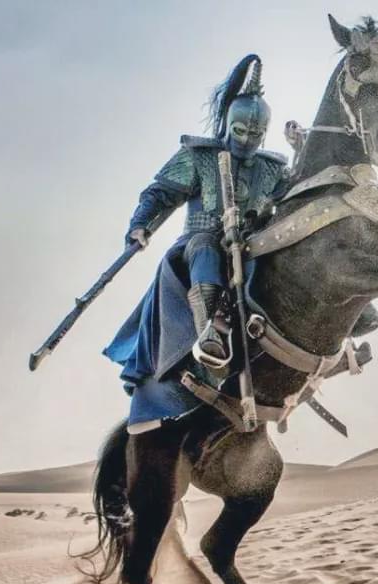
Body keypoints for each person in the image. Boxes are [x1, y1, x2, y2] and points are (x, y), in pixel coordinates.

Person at [102, 54, 288, 431]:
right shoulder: (199, 156)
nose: (248, 141)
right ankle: (210, 334)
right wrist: (140, 225)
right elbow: (158, 194)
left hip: (251, 244)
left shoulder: (272, 167)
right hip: (199, 243)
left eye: (255, 135)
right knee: (205, 246)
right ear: (229, 126)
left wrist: (301, 156)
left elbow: (295, 197)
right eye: (240, 132)